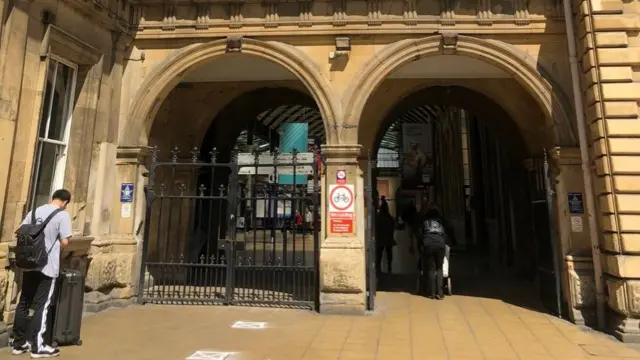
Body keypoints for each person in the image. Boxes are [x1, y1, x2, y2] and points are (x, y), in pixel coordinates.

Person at [12, 189, 73, 358]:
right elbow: (65, 241)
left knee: (24, 301)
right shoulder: (62, 215)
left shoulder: (34, 212)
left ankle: (18, 343)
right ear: (65, 202)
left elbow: (21, 232)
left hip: (29, 264)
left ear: (52, 197)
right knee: (42, 304)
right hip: (47, 266)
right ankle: (38, 346)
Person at [410, 201, 452, 300]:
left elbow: (419, 233)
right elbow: (447, 231)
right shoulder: (441, 220)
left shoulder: (424, 220)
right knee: (439, 268)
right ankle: (440, 293)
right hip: (441, 245)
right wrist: (445, 241)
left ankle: (432, 293)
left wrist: (422, 242)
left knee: (431, 268)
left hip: (428, 244)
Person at [375, 197, 397, 274]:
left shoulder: (378, 217)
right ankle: (389, 266)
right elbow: (392, 228)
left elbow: (377, 227)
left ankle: (378, 267)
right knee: (389, 253)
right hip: (388, 237)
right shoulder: (389, 217)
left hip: (381, 237)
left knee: (379, 253)